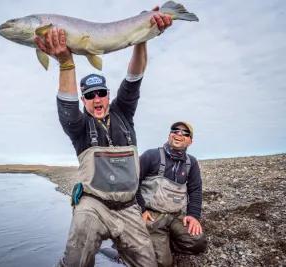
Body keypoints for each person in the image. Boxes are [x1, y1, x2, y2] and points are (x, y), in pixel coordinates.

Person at [34, 7, 172, 267]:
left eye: (101, 93)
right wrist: (65, 63)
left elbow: (135, 76)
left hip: (129, 207)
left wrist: (144, 33)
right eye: (89, 95)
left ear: (108, 94)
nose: (96, 99)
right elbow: (66, 102)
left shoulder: (124, 113)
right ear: (84, 100)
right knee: (75, 261)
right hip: (92, 206)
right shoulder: (78, 126)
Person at [136, 122, 207, 266]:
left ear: (190, 141)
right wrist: (141, 210)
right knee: (163, 263)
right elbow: (132, 183)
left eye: (185, 133)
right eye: (175, 131)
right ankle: (150, 242)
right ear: (170, 135)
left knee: (198, 243)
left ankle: (166, 240)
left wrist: (193, 216)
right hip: (152, 216)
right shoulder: (151, 155)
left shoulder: (191, 163)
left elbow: (195, 190)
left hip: (176, 215)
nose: (179, 134)